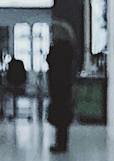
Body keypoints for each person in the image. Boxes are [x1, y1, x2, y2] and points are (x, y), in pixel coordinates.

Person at [45, 21, 75, 153]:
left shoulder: (57, 49)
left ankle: (60, 144)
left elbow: (51, 62)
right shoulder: (70, 49)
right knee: (64, 116)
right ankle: (63, 143)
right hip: (65, 86)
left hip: (57, 86)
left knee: (59, 115)